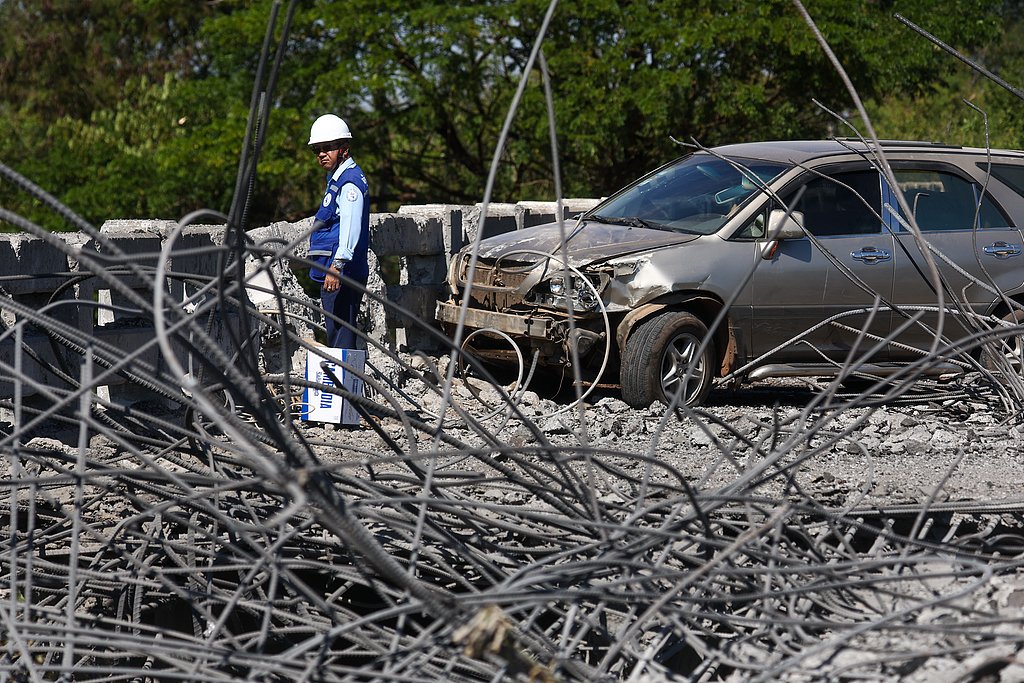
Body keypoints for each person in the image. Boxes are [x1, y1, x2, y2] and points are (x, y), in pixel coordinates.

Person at [307, 114, 370, 349]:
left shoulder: (349, 183)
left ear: (344, 148)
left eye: (327, 148)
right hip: (338, 272)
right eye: (317, 150)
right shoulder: (339, 178)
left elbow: (351, 226)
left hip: (342, 274)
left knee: (341, 341)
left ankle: (342, 386)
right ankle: (342, 384)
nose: (321, 154)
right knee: (337, 337)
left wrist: (337, 266)